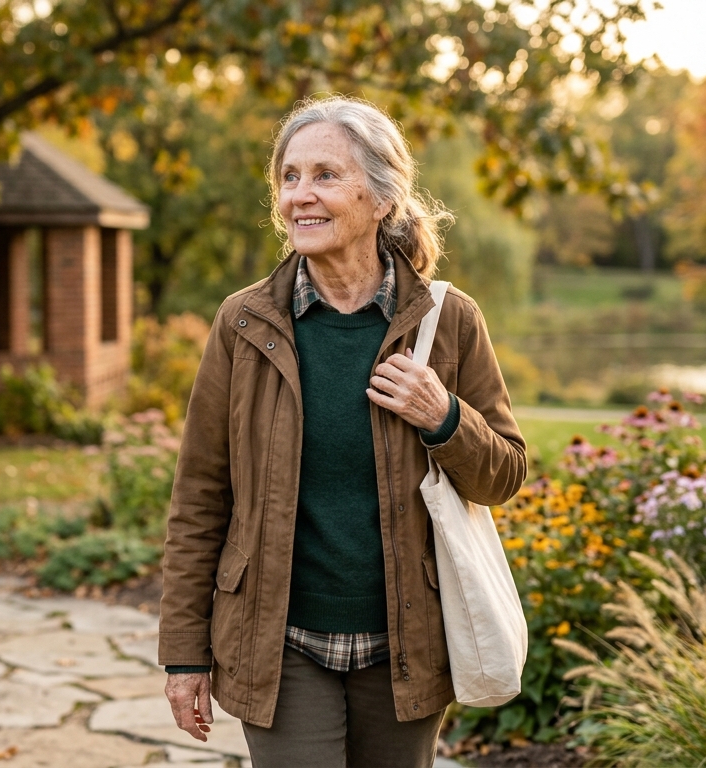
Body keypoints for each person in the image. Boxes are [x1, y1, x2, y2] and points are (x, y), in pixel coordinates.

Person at [158, 95, 528, 768]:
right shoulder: (244, 324)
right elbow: (199, 499)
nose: (301, 195)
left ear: (381, 196)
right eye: (290, 177)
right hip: (280, 643)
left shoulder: (447, 323)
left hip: (406, 645)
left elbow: (504, 474)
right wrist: (184, 655)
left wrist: (444, 416)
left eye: (325, 174)